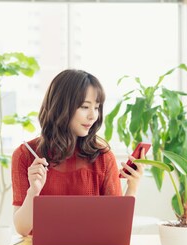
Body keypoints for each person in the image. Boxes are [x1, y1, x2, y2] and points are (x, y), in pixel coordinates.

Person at [11, 69, 145, 236]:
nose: (93, 116)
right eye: (84, 107)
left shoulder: (103, 157)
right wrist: (34, 192)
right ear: (60, 106)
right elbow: (22, 230)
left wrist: (132, 187)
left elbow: (115, 228)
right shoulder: (25, 156)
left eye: (96, 107)